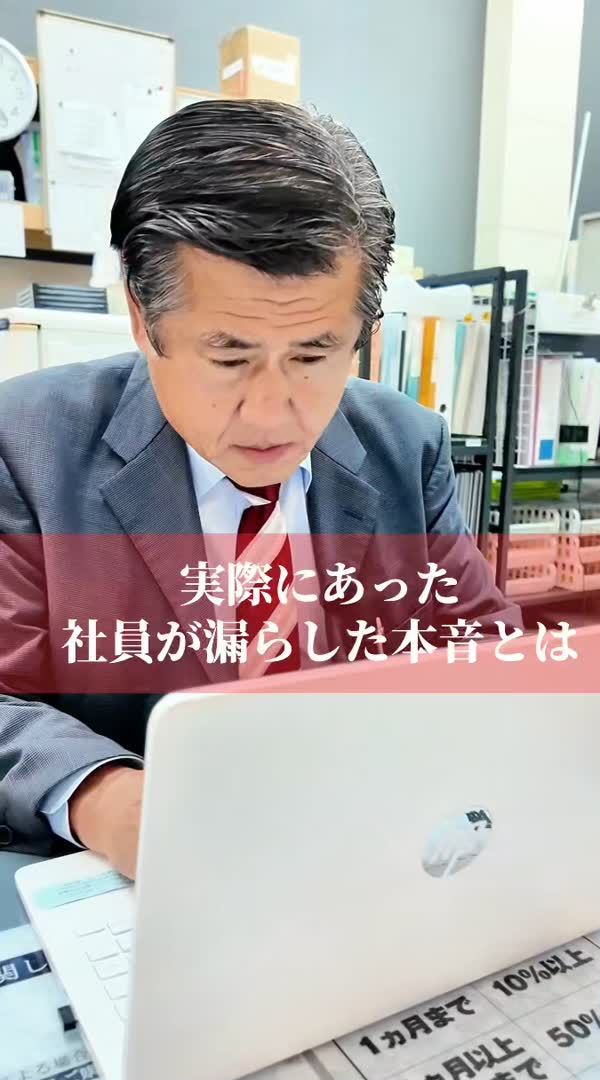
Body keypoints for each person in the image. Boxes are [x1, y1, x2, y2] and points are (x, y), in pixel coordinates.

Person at [0, 100, 520, 876]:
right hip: (142, 883)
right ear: (143, 318)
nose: (272, 413)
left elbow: (481, 651)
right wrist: (107, 798)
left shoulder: (406, 446)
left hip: (360, 857)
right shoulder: (26, 445)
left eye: (313, 355)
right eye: (230, 357)